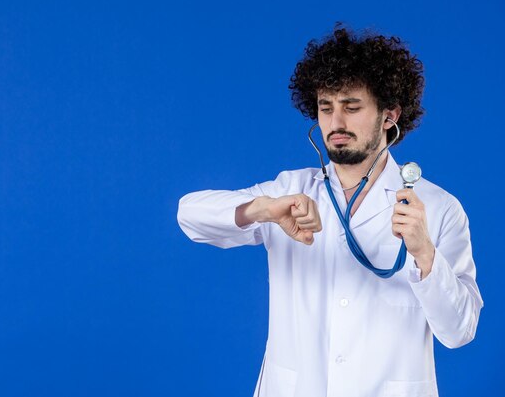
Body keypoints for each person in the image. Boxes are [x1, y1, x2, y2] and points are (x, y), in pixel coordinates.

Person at [176, 26, 483, 397]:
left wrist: (425, 254)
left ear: (389, 115)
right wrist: (264, 208)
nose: (336, 123)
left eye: (352, 107)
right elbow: (188, 214)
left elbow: (459, 331)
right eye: (326, 108)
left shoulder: (438, 207)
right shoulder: (290, 191)